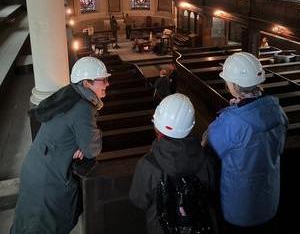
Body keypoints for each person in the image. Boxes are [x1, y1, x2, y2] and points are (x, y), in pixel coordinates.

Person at [10, 57, 111, 234]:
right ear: (87, 83)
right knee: (41, 227)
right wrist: (93, 137)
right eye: (103, 80)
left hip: (37, 168)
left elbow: (78, 140)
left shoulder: (70, 94)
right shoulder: (82, 108)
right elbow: (92, 148)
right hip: (48, 182)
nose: (107, 84)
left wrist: (79, 143)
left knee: (26, 224)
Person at [204, 52, 288, 234]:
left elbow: (209, 145)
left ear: (233, 86)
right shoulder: (277, 111)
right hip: (269, 196)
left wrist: (233, 113)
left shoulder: (232, 121)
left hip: (240, 205)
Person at [129, 93, 219, 234]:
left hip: (161, 228)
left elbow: (139, 200)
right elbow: (210, 192)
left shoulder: (148, 164)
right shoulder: (206, 159)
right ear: (191, 126)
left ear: (157, 125)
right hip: (199, 226)